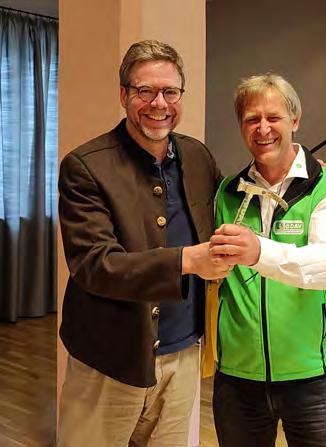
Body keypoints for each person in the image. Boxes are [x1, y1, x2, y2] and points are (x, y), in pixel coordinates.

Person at [57, 40, 228, 447]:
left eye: (170, 91)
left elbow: (235, 204)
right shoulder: (85, 166)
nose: (159, 104)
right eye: (144, 91)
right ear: (123, 96)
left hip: (184, 354)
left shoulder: (197, 156)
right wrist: (187, 261)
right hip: (108, 360)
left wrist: (295, 172)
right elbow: (95, 265)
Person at [209, 74, 326, 446]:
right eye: (252, 119)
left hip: (312, 378)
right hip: (237, 379)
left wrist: (258, 251)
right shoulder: (226, 192)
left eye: (273, 117)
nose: (263, 129)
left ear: (295, 120)